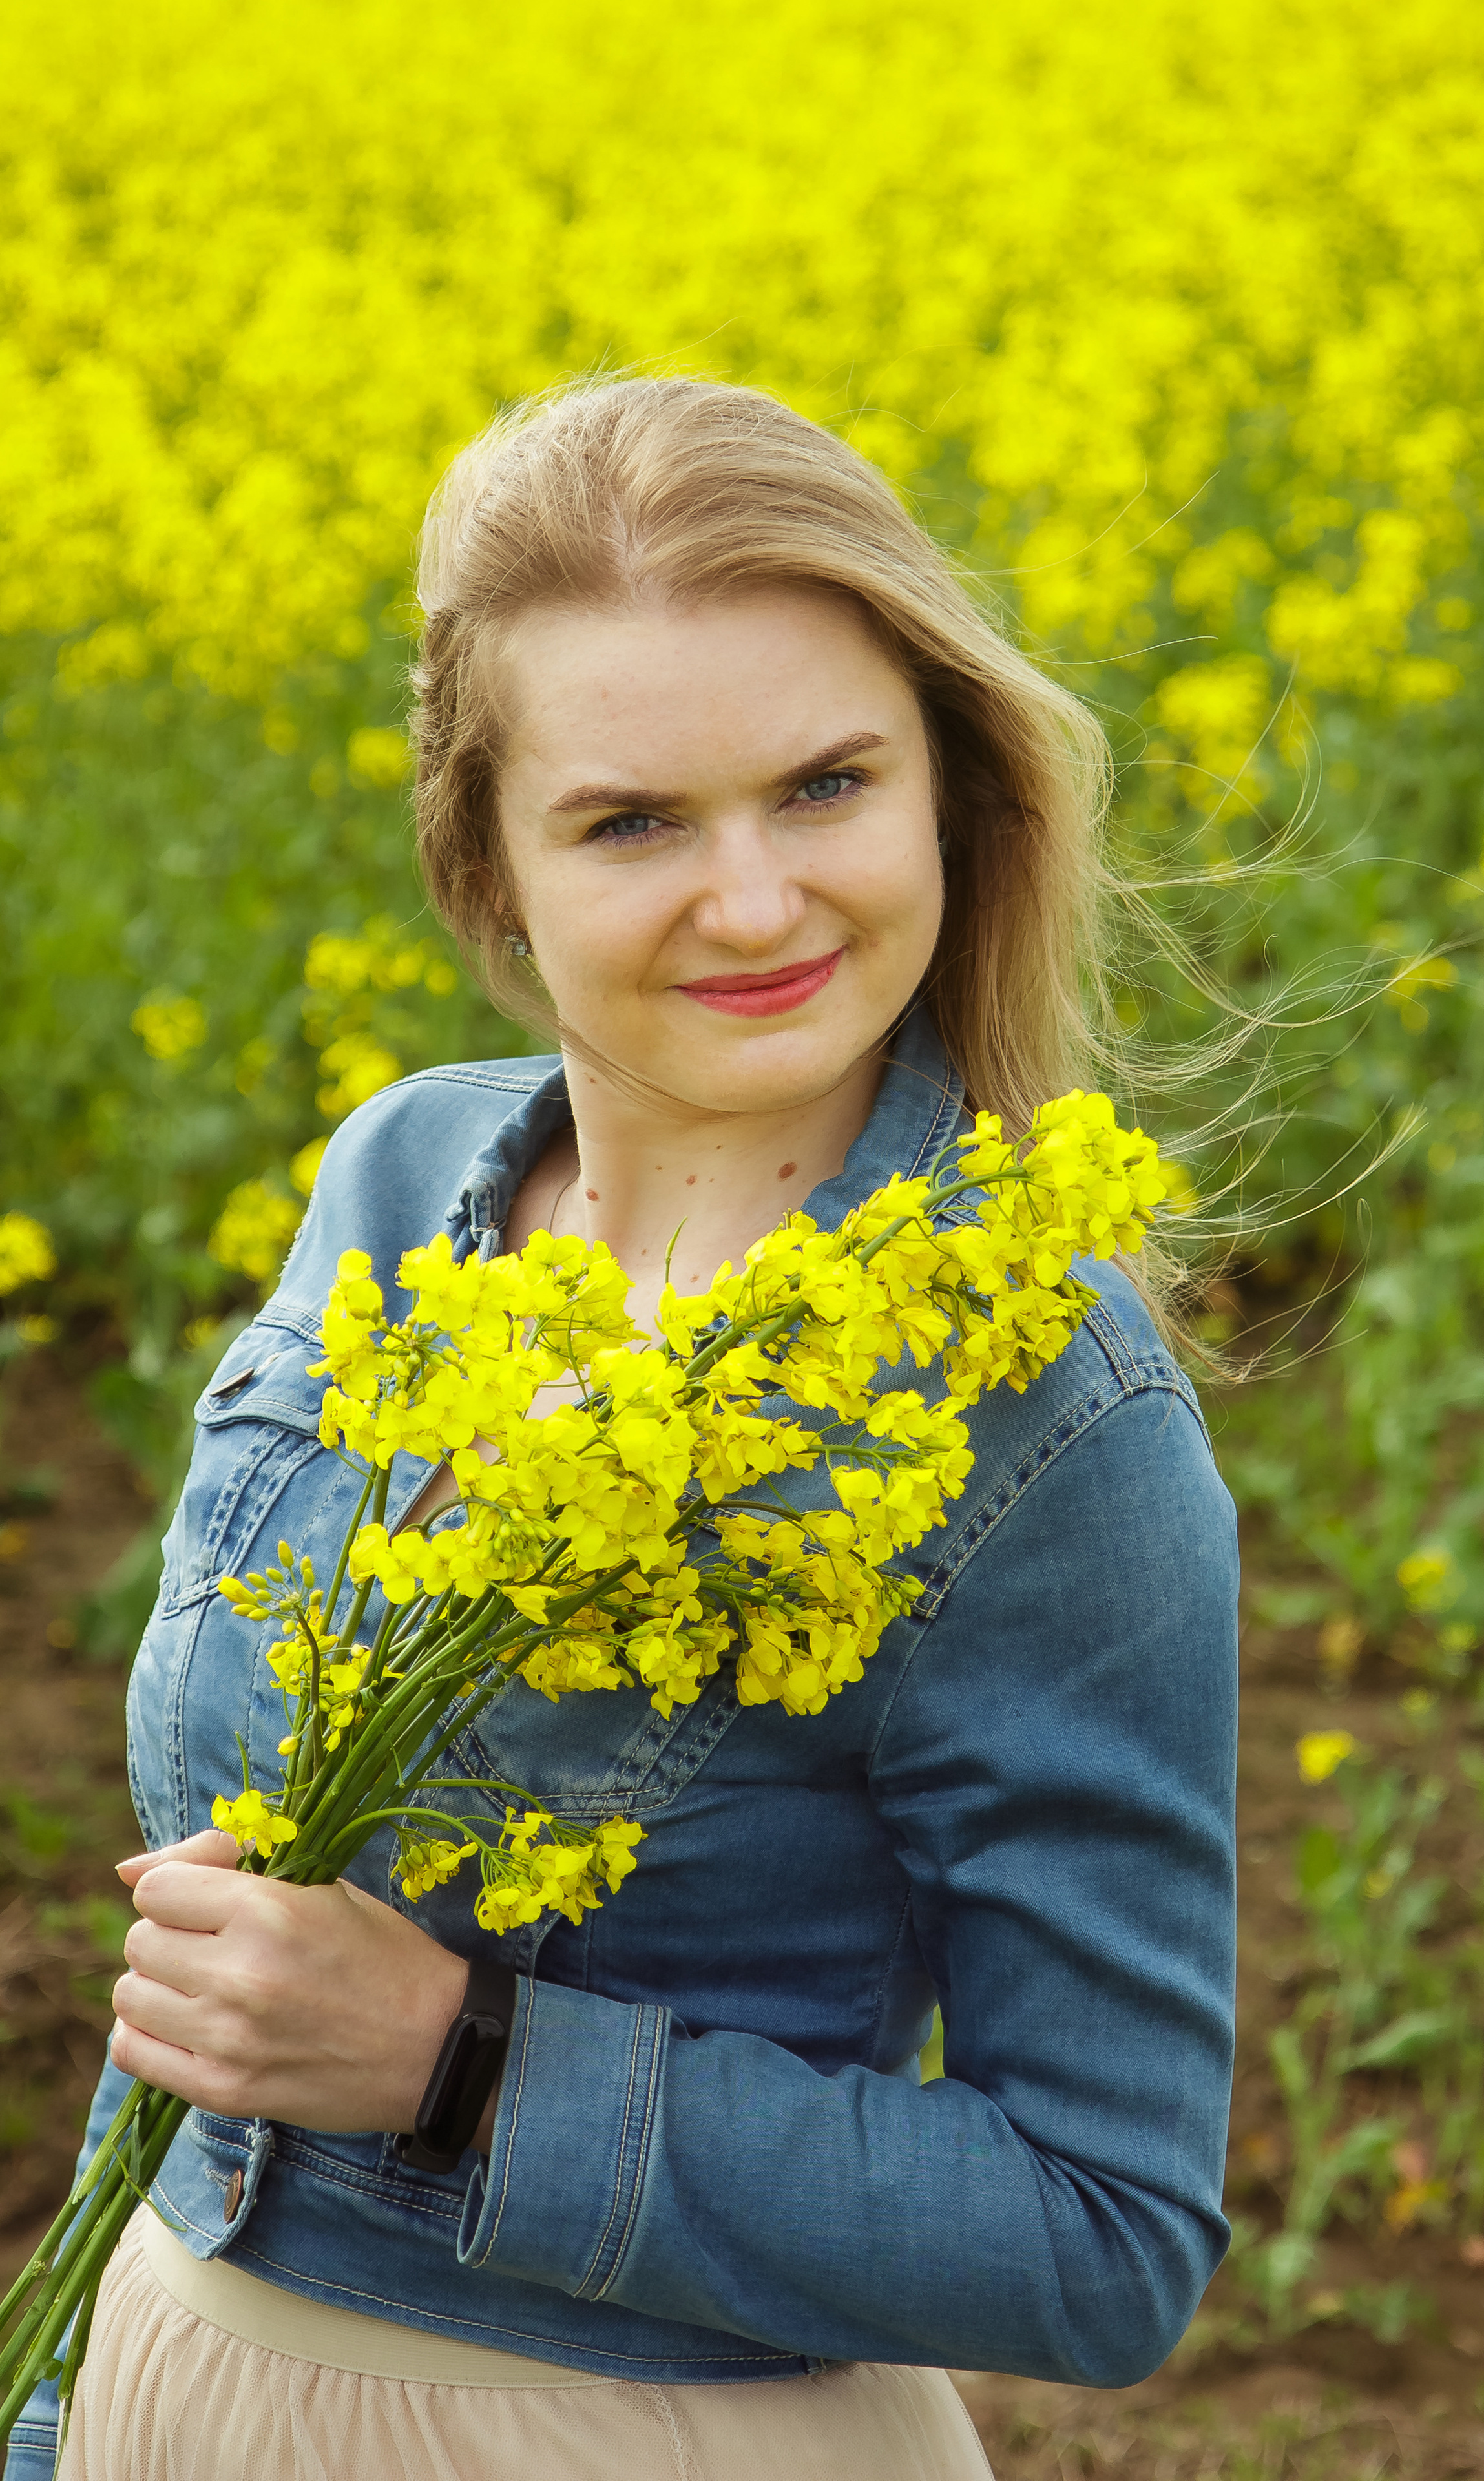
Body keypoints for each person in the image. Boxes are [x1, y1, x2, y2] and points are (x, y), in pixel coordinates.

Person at [6, 378, 1239, 2481]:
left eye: (826, 785)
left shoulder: (1048, 1413)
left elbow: (1105, 2235)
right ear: (485, 870)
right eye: (633, 821)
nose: (756, 905)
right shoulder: (394, 1188)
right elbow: (220, 1964)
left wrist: (464, 2063)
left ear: (948, 788)